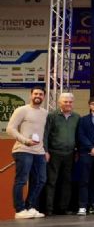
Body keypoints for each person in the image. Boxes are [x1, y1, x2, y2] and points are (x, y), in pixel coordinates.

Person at [7, 86, 48, 219]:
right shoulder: (21, 110)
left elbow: (45, 133)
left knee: (41, 180)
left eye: (41, 94)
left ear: (44, 97)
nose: (38, 96)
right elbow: (10, 129)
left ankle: (30, 207)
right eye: (35, 93)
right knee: (21, 180)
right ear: (31, 95)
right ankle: (19, 210)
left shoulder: (45, 113)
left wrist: (45, 150)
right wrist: (25, 141)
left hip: (39, 152)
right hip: (23, 150)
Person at [43, 92, 80, 215]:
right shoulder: (52, 116)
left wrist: (77, 151)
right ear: (60, 103)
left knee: (67, 182)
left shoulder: (77, 117)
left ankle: (63, 208)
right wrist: (46, 151)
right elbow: (46, 134)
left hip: (70, 154)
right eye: (65, 102)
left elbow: (78, 136)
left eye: (70, 102)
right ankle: (49, 209)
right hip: (54, 153)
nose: (68, 104)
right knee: (52, 181)